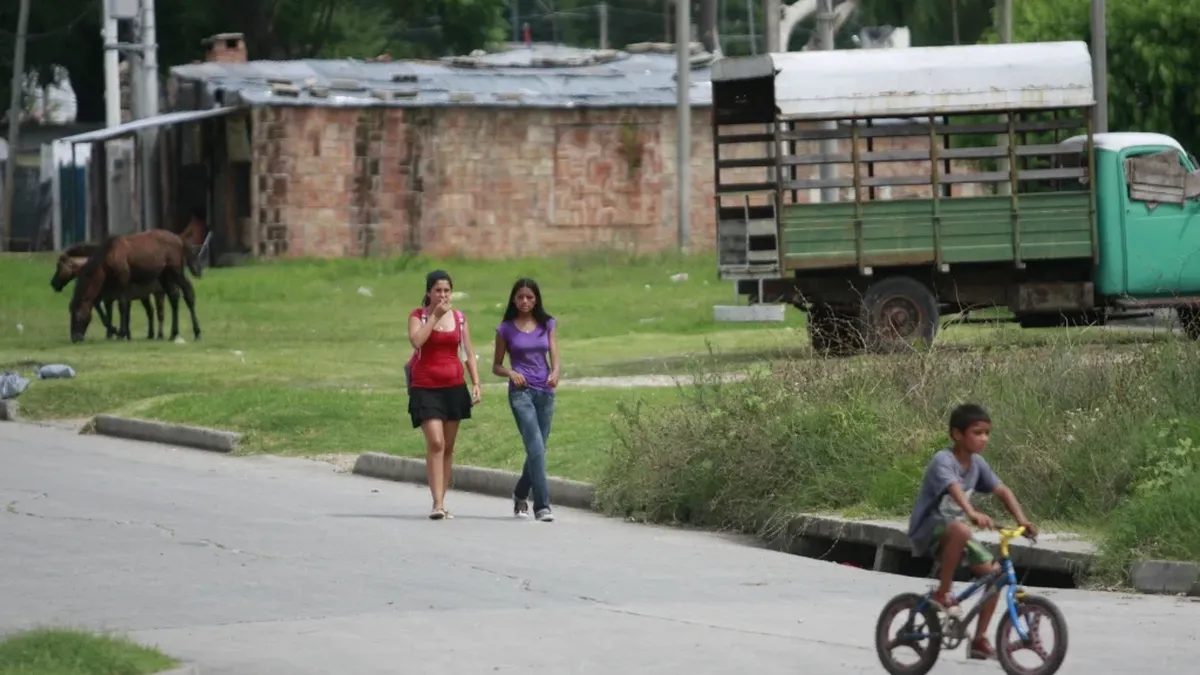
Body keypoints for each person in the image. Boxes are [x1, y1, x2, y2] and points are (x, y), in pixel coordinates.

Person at [906, 403, 1038, 661]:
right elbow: (954, 488)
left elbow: (1002, 490)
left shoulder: (977, 464)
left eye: (987, 433)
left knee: (994, 577)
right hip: (928, 531)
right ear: (957, 434)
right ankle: (944, 593)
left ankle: (979, 640)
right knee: (960, 528)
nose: (984, 439)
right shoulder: (943, 460)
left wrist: (1023, 521)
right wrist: (972, 512)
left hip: (959, 533)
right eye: (977, 433)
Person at [407, 270, 482, 520]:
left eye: (446, 290)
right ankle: (436, 504)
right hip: (425, 387)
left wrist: (476, 382)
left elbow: (468, 352)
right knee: (436, 442)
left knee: (448, 447)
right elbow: (417, 341)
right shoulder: (418, 316)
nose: (442, 295)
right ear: (428, 292)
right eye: (437, 290)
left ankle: (441, 501)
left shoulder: (459, 318)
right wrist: (433, 318)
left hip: (453, 387)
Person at [492, 278, 560, 522]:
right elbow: (496, 366)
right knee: (536, 448)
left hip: (546, 392)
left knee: (539, 450)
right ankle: (542, 506)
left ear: (536, 299)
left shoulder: (547, 323)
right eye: (520, 297)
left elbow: (553, 352)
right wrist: (511, 372)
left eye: (529, 297)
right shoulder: (506, 329)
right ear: (513, 299)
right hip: (521, 393)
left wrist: (556, 372)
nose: (524, 301)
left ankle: (521, 493)